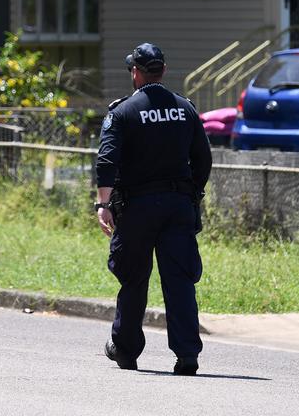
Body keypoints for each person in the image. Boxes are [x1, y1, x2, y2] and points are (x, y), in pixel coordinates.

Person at [94, 43, 212, 375]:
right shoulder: (185, 109)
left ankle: (126, 351)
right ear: (162, 70)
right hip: (178, 207)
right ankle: (187, 355)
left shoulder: (123, 112)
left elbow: (107, 161)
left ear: (136, 72)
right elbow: (203, 159)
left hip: (138, 209)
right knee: (179, 281)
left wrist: (104, 204)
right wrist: (193, 195)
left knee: (134, 278)